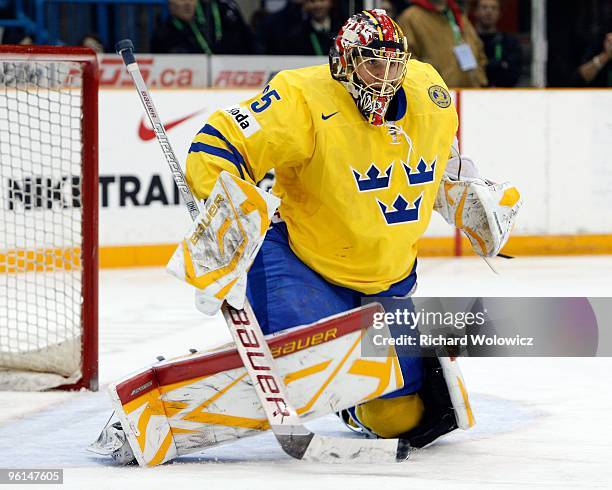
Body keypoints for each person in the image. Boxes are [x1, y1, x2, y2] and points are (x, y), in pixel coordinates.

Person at [180, 9, 520, 442]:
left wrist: (465, 195)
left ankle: (351, 405)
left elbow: (441, 162)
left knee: (398, 419)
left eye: (394, 64)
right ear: (343, 62)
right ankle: (262, 362)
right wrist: (226, 219)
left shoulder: (428, 91)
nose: (385, 77)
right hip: (302, 265)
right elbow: (217, 143)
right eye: (372, 63)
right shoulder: (300, 97)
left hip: (384, 282)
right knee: (305, 365)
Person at [397, 0, 487, 87]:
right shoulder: (411, 17)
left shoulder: (457, 15)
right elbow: (406, 60)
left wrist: (479, 79)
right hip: (434, 95)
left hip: (471, 93)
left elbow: (478, 50)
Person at [150, 0, 253, 54]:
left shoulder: (221, 12)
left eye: (191, 0)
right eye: (181, 0)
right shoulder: (164, 32)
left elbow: (248, 41)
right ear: (170, 4)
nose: (187, 4)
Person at [256, 0, 341, 55]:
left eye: (322, 0)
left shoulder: (342, 26)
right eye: (312, 1)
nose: (317, 5)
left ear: (331, 2)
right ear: (305, 4)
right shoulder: (299, 32)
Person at [473, 0, 522, 87]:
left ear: (499, 14)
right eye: (484, 7)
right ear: (475, 12)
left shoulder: (509, 42)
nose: (489, 12)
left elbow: (513, 74)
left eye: (494, 8)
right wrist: (499, 65)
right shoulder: (467, 41)